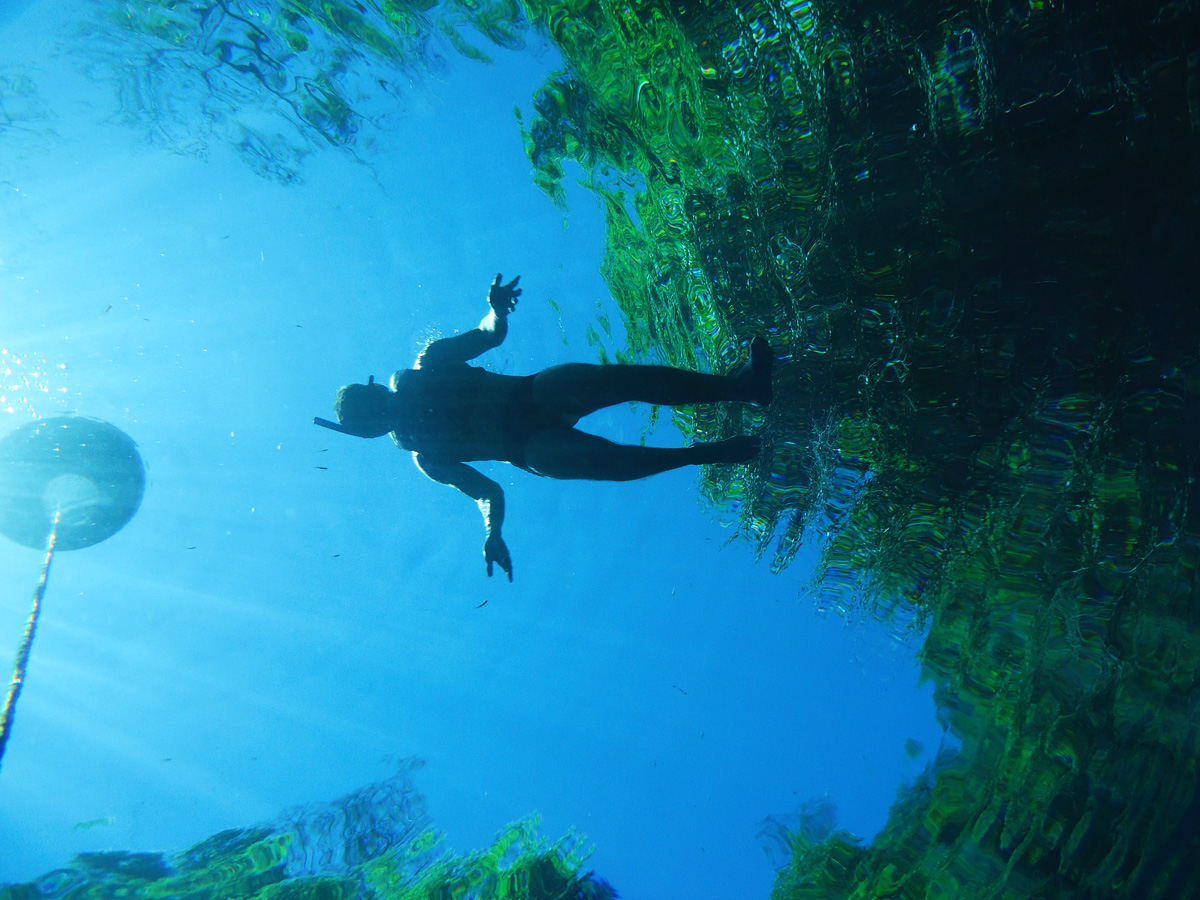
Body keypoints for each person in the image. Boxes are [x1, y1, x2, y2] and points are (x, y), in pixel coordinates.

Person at [315, 274, 772, 582]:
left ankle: (742, 389)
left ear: (376, 394)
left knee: (622, 381)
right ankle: (702, 451)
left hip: (532, 394)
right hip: (531, 446)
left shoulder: (429, 364)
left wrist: (497, 308)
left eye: (373, 400)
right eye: (373, 411)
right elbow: (487, 492)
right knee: (606, 453)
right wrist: (492, 533)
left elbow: (489, 335)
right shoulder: (427, 456)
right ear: (374, 428)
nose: (382, 407)